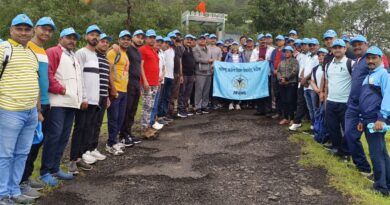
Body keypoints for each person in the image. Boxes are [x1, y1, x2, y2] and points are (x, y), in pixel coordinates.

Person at [0, 14, 39, 205]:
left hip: (30, 112)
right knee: (5, 154)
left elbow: (35, 81)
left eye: (27, 29)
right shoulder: (3, 49)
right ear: (11, 30)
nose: (23, 32)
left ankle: (14, 191)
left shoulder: (31, 53)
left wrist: (37, 110)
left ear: (32, 31)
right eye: (19, 28)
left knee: (22, 153)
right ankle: (2, 194)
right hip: (9, 111)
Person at [40, 27, 83, 185]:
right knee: (54, 136)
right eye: (68, 37)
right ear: (60, 39)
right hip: (57, 102)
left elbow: (78, 80)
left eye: (74, 38)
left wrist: (79, 97)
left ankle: (55, 168)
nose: (72, 40)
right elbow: (47, 73)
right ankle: (45, 172)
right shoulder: (53, 51)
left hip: (71, 103)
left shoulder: (74, 57)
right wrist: (61, 89)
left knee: (64, 137)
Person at [20, 16, 56, 200]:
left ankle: (26, 177)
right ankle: (20, 183)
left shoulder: (42, 50)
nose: (46, 33)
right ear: (35, 28)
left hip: (45, 102)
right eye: (44, 28)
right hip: (33, 105)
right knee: (25, 146)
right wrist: (37, 107)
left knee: (36, 143)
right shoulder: (27, 48)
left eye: (50, 30)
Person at [70, 25, 104, 172]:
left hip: (94, 100)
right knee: (80, 129)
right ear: (86, 37)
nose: (95, 37)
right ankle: (74, 159)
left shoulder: (95, 55)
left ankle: (82, 155)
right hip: (84, 100)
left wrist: (95, 99)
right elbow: (79, 77)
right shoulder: (81, 53)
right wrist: (83, 97)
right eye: (92, 34)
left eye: (97, 35)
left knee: (88, 128)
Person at [357, 46, 390, 196]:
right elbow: (365, 100)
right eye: (368, 58)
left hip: (376, 120)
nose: (370, 61)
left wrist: (381, 118)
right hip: (367, 119)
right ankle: (387, 182)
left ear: (380, 58)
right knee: (382, 152)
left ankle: (381, 188)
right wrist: (360, 119)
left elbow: (388, 97)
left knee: (376, 153)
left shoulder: (383, 74)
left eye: (373, 58)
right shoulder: (368, 76)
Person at [344, 35, 372, 175]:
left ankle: (369, 170)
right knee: (349, 134)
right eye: (354, 45)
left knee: (373, 143)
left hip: (365, 106)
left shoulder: (370, 59)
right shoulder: (356, 61)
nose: (356, 47)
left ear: (366, 44)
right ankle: (361, 165)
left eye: (360, 44)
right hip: (352, 104)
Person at [324, 39, 354, 160]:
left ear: (345, 49)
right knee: (333, 127)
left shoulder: (351, 63)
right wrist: (326, 99)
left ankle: (346, 153)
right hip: (331, 101)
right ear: (331, 50)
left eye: (339, 47)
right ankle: (336, 148)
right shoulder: (328, 65)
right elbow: (327, 83)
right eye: (334, 47)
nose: (337, 49)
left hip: (345, 103)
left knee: (347, 130)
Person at [106, 30, 132, 154]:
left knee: (120, 118)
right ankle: (110, 143)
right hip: (115, 89)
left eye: (128, 39)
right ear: (119, 40)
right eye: (123, 39)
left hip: (124, 90)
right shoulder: (113, 52)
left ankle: (115, 141)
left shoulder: (124, 54)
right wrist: (112, 87)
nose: (126, 41)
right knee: (113, 118)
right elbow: (109, 70)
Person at [94, 33, 118, 156]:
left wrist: (107, 96)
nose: (104, 44)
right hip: (93, 96)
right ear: (97, 41)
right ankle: (85, 150)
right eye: (102, 41)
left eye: (107, 42)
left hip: (103, 95)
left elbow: (105, 79)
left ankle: (93, 148)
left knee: (98, 124)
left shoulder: (104, 58)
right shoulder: (93, 56)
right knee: (90, 124)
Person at [120, 29, 144, 145]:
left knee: (133, 110)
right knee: (127, 109)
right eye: (137, 36)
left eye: (141, 37)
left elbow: (139, 68)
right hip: (128, 82)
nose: (140, 39)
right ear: (133, 38)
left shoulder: (138, 52)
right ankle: (123, 135)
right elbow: (116, 49)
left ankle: (128, 133)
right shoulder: (127, 49)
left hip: (136, 82)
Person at [139, 29, 160, 139]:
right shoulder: (143, 49)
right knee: (146, 106)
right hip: (147, 83)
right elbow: (141, 66)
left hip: (155, 83)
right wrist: (145, 80)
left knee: (151, 106)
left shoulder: (153, 50)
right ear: (146, 38)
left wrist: (157, 82)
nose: (152, 39)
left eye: (153, 37)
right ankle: (144, 129)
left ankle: (148, 126)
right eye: (150, 37)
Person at [289, 38, 311, 131]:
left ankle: (301, 121)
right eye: (302, 45)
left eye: (305, 45)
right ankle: (297, 122)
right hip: (300, 82)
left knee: (310, 105)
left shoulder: (313, 56)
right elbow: (299, 68)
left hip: (310, 83)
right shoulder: (300, 56)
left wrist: (304, 78)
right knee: (301, 102)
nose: (303, 46)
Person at [250, 34, 274, 116]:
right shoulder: (255, 50)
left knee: (267, 91)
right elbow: (251, 61)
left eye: (264, 40)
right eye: (261, 40)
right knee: (259, 91)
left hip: (267, 73)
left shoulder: (271, 49)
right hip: (258, 74)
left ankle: (268, 110)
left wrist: (265, 60)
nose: (263, 41)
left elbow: (272, 60)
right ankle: (260, 109)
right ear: (258, 41)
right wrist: (257, 60)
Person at [277, 46, 299, 125]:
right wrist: (280, 79)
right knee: (284, 101)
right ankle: (285, 118)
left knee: (290, 101)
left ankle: (292, 118)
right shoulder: (282, 62)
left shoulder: (295, 61)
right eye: (285, 52)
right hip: (282, 84)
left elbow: (295, 71)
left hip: (291, 84)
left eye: (288, 52)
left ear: (292, 53)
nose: (286, 53)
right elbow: (278, 71)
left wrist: (286, 78)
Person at [302, 38, 320, 129]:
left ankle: (316, 127)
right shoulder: (308, 56)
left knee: (315, 108)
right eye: (310, 45)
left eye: (314, 45)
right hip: (306, 86)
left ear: (318, 46)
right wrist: (302, 77)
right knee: (310, 108)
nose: (312, 47)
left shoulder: (318, 57)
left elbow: (314, 70)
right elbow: (304, 68)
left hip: (313, 86)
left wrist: (305, 79)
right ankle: (313, 126)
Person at [193, 35, 214, 114]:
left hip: (208, 72)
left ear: (206, 41)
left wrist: (211, 63)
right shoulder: (195, 48)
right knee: (199, 90)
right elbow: (197, 59)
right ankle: (197, 107)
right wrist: (208, 60)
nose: (202, 41)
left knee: (206, 91)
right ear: (198, 41)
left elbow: (211, 59)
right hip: (200, 73)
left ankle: (204, 106)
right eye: (200, 39)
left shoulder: (208, 49)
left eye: (204, 39)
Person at [177, 34, 196, 117]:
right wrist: (181, 75)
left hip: (191, 75)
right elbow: (180, 62)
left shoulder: (191, 49)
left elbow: (193, 62)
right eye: (187, 39)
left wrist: (194, 74)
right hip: (184, 74)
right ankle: (180, 110)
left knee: (187, 93)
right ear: (183, 40)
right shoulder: (181, 49)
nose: (189, 41)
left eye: (190, 39)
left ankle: (185, 109)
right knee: (182, 93)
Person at [157, 37, 175, 119]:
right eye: (165, 42)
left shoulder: (170, 51)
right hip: (164, 77)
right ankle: (160, 114)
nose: (167, 44)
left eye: (168, 43)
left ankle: (164, 114)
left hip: (170, 76)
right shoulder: (162, 52)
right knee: (161, 97)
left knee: (167, 97)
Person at [269, 35, 286, 119]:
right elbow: (271, 62)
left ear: (284, 41)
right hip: (274, 74)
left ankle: (284, 113)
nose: (279, 42)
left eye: (280, 40)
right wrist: (273, 70)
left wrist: (279, 71)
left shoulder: (286, 50)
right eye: (277, 40)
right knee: (276, 94)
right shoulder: (274, 51)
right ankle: (278, 112)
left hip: (282, 75)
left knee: (283, 93)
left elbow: (286, 62)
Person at [225, 42, 245, 110]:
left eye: (236, 45)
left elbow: (244, 63)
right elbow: (225, 63)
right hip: (231, 74)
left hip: (239, 74)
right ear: (231, 47)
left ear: (238, 46)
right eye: (233, 45)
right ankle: (230, 103)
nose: (235, 46)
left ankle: (237, 103)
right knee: (230, 88)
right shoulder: (228, 54)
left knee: (238, 88)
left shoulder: (241, 54)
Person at [208, 34, 223, 110]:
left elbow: (220, 60)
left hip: (216, 71)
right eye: (211, 38)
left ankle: (214, 103)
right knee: (207, 88)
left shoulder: (218, 49)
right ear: (209, 40)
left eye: (214, 38)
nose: (213, 40)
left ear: (216, 40)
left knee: (215, 87)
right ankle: (208, 103)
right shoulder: (206, 48)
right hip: (207, 70)